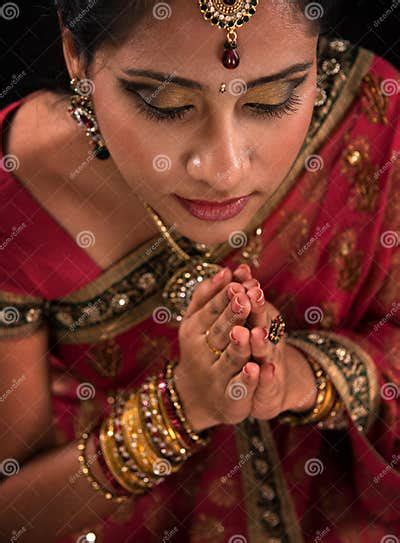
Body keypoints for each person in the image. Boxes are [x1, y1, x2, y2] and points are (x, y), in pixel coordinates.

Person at [0, 0, 399, 541]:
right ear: (76, 55)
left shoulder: (374, 115)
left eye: (271, 99)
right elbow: (13, 512)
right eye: (165, 104)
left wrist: (299, 379)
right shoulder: (15, 191)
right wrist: (182, 406)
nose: (223, 167)